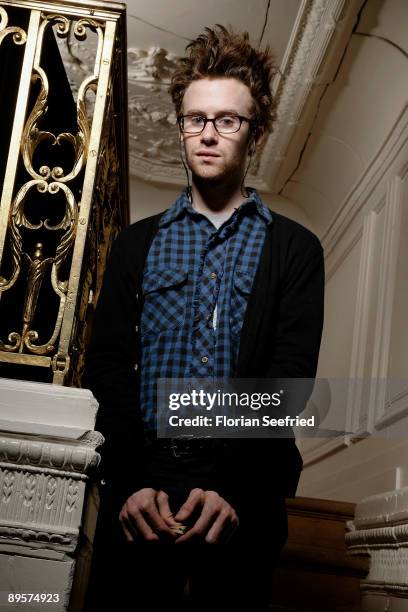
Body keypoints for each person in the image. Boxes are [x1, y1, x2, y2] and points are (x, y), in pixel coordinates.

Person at [83, 25, 324, 612]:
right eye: (196, 119)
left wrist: (232, 488)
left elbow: (287, 381)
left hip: (242, 488)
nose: (208, 135)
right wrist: (130, 480)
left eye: (228, 121)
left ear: (255, 134)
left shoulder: (294, 249)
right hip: (143, 482)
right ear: (182, 126)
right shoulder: (135, 246)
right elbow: (107, 367)